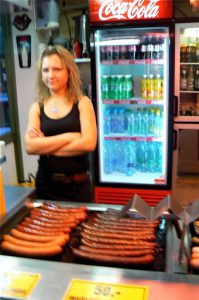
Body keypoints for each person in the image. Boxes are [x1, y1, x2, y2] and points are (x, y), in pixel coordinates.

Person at [24, 45, 97, 202]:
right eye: (46, 70)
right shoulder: (36, 107)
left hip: (77, 188)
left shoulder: (83, 103)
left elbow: (89, 143)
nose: (50, 75)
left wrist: (46, 147)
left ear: (68, 72)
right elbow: (30, 147)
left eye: (57, 69)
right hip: (46, 187)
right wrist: (72, 136)